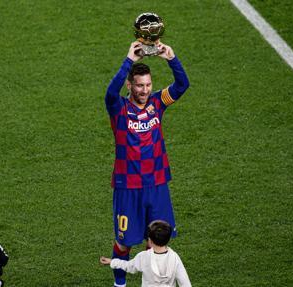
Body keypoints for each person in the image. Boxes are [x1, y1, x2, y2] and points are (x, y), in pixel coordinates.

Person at [105, 40, 190, 287]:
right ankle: (119, 285)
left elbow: (182, 85)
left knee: (155, 241)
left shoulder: (157, 103)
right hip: (128, 187)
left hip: (157, 184)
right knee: (124, 242)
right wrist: (129, 61)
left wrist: (171, 57)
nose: (144, 90)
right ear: (130, 85)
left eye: (148, 85)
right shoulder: (119, 107)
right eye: (139, 86)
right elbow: (110, 92)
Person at [100, 220, 191, 287]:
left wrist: (112, 261)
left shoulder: (143, 257)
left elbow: (128, 266)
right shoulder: (174, 257)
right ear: (168, 240)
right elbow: (185, 282)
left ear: (150, 241)